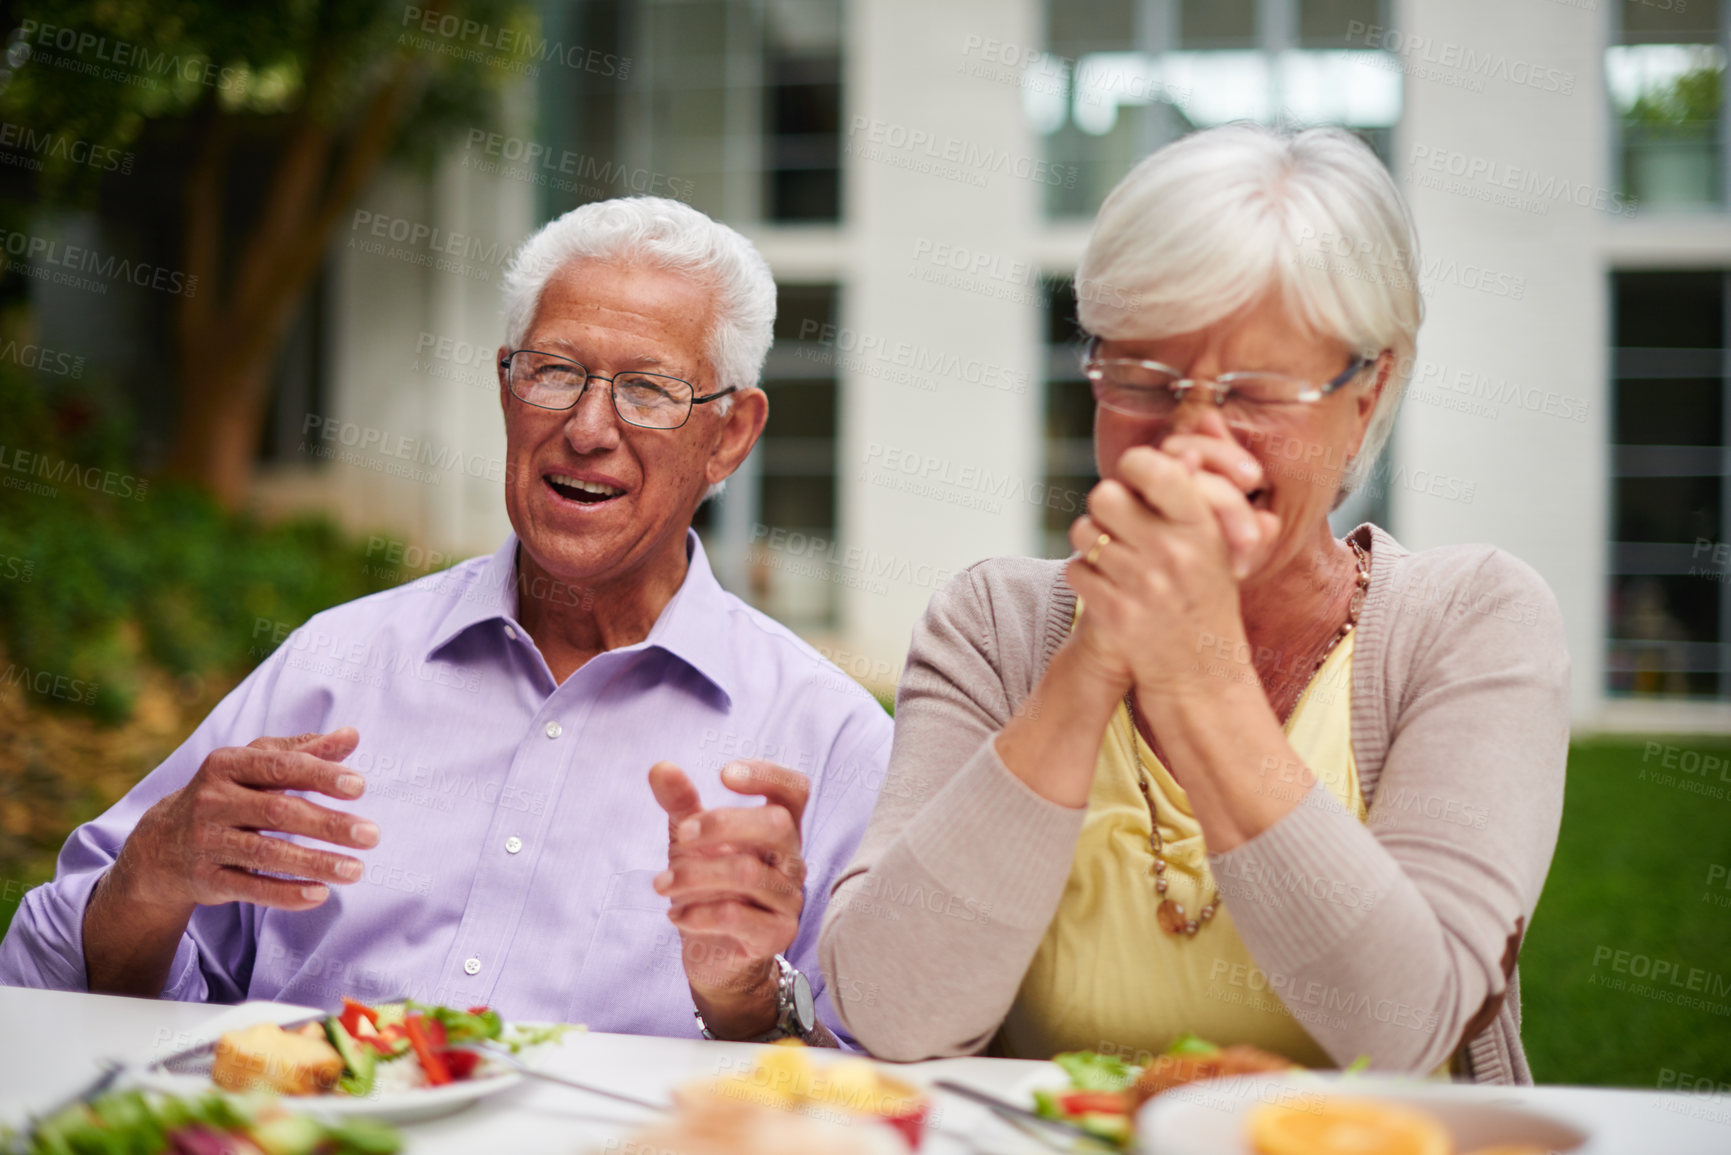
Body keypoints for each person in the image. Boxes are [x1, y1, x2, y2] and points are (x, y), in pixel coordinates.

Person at [2, 197, 891, 1046]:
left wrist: (743, 996)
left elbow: (879, 1092)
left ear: (731, 434)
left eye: (648, 389)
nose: (587, 428)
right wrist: (150, 875)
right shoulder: (337, 666)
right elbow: (39, 987)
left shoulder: (825, 738)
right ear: (506, 388)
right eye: (554, 371)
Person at [819, 125, 1569, 1082]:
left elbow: (1407, 1026)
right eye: (1143, 380)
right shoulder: (990, 625)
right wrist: (1093, 663)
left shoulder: (1473, 618)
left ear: (1368, 392)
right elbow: (890, 1010)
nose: (1193, 439)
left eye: (1256, 391)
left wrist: (1193, 669)